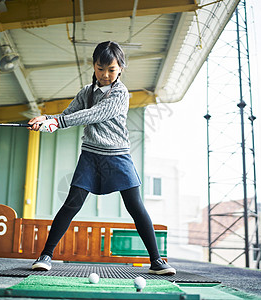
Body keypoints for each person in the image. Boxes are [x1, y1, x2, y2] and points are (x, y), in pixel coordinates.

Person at [28, 41, 176, 276]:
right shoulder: (86, 92)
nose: (105, 75)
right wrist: (45, 119)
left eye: (111, 70)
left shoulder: (120, 93)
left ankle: (157, 260)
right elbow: (68, 115)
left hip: (118, 156)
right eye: (100, 68)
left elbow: (96, 113)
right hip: (90, 156)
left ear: (120, 69)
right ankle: (46, 255)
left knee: (135, 207)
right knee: (71, 204)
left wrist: (58, 123)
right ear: (94, 66)